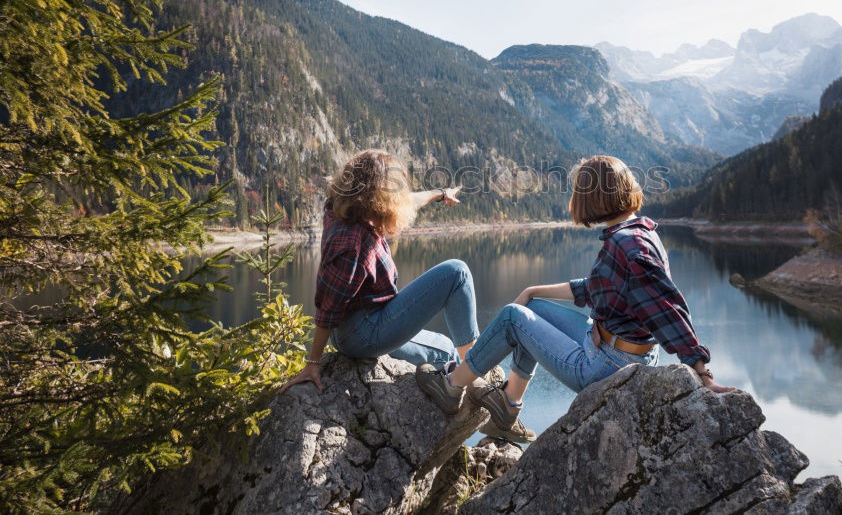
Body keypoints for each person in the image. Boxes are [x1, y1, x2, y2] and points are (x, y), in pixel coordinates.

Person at [417, 155, 734, 443]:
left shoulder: (627, 246)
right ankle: (507, 406)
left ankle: (452, 387)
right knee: (530, 308)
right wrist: (533, 291)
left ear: (592, 198)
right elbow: (595, 287)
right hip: (614, 351)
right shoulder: (640, 230)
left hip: (607, 367)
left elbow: (667, 309)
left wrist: (701, 371)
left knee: (513, 317)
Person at [279, 149, 495, 395]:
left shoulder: (345, 210)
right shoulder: (352, 240)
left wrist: (440, 194)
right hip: (362, 333)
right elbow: (329, 305)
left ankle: (462, 374)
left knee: (445, 350)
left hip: (361, 326)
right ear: (380, 195)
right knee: (457, 272)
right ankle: (477, 376)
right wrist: (313, 363)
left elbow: (408, 201)